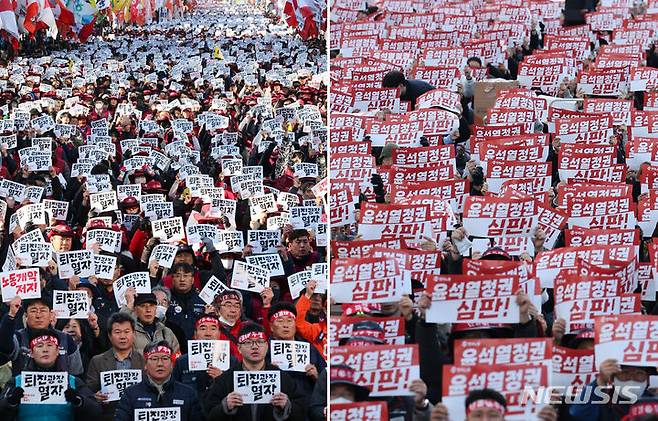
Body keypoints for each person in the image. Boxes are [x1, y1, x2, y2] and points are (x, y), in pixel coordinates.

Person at [203, 323, 305, 420]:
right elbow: (209, 413)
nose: (255, 346)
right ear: (239, 348)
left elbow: (302, 411)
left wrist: (287, 406)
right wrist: (225, 406)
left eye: (260, 342)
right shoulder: (225, 379)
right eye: (248, 342)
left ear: (267, 346)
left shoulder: (282, 377)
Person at [0, 329, 102, 420]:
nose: (45, 349)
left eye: (49, 345)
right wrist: (10, 401)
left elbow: (96, 413)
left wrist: (79, 401)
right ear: (31, 353)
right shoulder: (16, 382)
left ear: (58, 351)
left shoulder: (73, 382)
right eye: (39, 346)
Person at [115, 340, 201, 421]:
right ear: (145, 364)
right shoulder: (130, 394)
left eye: (165, 358)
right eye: (154, 359)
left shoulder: (188, 393)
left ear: (172, 364)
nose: (160, 364)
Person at [0, 296, 84, 376]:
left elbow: (76, 372)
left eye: (43, 310)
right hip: (24, 389)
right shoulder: (19, 337)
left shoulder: (65, 339)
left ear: (51, 315)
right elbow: (5, 347)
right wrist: (11, 315)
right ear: (26, 316)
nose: (38, 315)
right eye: (33, 311)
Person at [86, 312, 145, 421]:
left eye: (127, 332)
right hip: (108, 415)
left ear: (134, 334)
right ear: (109, 336)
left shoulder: (144, 360)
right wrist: (96, 396)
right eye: (117, 332)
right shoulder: (97, 361)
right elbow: (89, 393)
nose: (122, 336)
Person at [172, 314, 234, 398]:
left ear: (219, 334)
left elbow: (237, 393)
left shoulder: (232, 362)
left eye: (213, 328)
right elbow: (173, 390)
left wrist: (222, 379)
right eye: (203, 328)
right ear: (195, 334)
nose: (208, 333)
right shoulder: (182, 361)